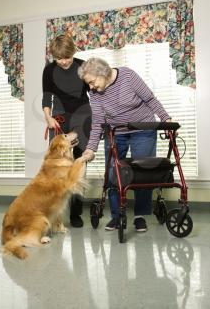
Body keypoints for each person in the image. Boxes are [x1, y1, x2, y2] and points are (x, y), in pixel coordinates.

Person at [78, 57, 171, 232]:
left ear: (103, 73)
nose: (90, 87)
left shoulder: (128, 76)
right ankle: (116, 215)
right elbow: (98, 121)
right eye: (88, 84)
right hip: (116, 133)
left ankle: (140, 215)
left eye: (92, 82)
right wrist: (90, 149)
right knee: (114, 172)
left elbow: (150, 100)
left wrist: (166, 118)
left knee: (142, 172)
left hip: (143, 129)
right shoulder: (95, 93)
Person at [42, 34, 92, 228]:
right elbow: (47, 97)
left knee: (79, 167)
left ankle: (76, 214)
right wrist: (48, 118)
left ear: (73, 52)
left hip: (83, 117)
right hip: (59, 119)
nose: (63, 62)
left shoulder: (83, 66)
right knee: (57, 168)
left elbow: (94, 92)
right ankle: (55, 216)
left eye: (67, 57)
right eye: (59, 58)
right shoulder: (49, 70)